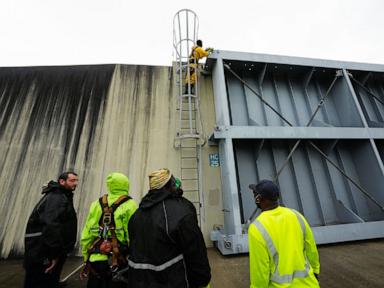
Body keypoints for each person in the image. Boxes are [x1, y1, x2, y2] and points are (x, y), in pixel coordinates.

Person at [127, 168, 211, 288]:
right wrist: (202, 280)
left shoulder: (136, 215)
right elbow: (195, 251)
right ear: (169, 185)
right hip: (173, 281)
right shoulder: (181, 211)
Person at [248, 180, 320, 288]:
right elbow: (311, 248)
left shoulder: (257, 228)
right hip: (309, 284)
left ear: (259, 198)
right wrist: (315, 271)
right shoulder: (296, 215)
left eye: (254, 194)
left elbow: (260, 270)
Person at [80, 172, 138, 288]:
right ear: (126, 185)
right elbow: (133, 234)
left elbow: (87, 233)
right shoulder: (130, 205)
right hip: (119, 259)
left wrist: (86, 257)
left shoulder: (96, 204)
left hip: (96, 258)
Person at [24, 171, 79, 288]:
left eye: (76, 180)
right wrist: (54, 255)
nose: (76, 183)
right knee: (42, 280)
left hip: (44, 249)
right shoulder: (57, 197)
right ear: (62, 181)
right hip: (44, 251)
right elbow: (51, 226)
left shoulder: (61, 195)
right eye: (72, 180)